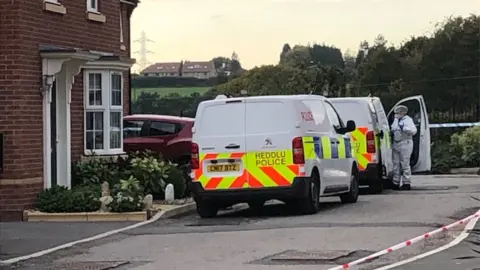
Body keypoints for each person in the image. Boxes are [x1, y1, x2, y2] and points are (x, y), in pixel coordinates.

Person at [390, 105, 417, 190]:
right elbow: (393, 128)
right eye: (396, 113)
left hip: (406, 143)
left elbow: (414, 131)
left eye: (398, 113)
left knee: (405, 163)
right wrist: (396, 122)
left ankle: (406, 183)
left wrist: (404, 128)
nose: (396, 115)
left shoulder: (408, 120)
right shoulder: (396, 120)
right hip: (396, 143)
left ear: (402, 113)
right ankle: (395, 182)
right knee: (395, 164)